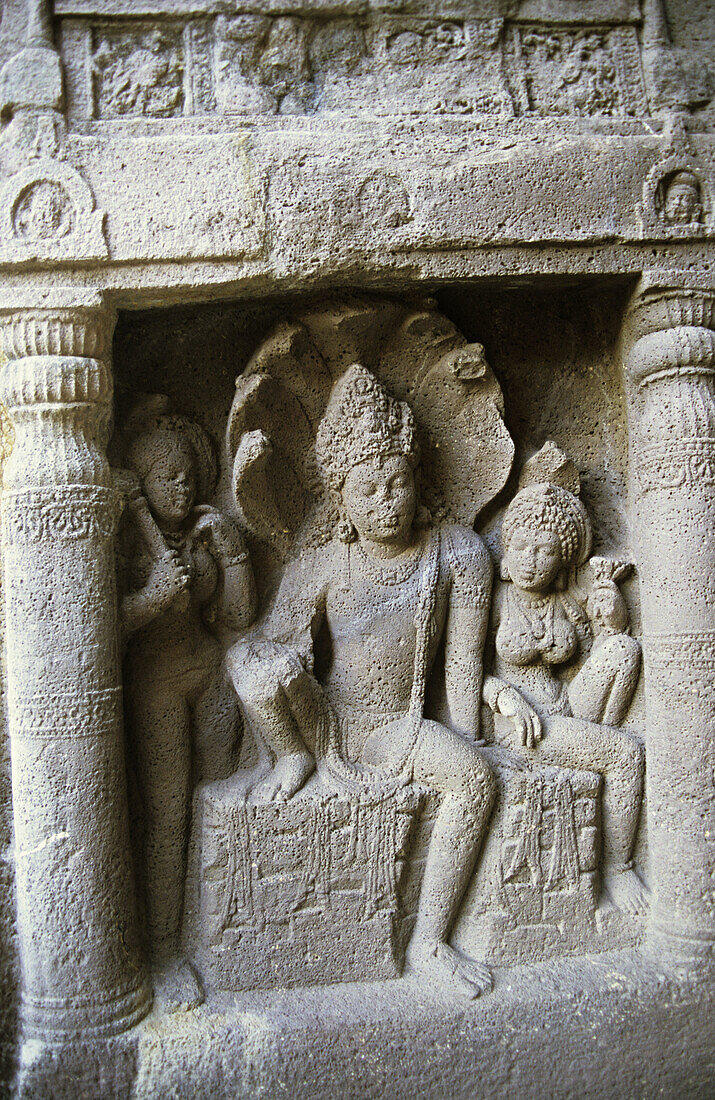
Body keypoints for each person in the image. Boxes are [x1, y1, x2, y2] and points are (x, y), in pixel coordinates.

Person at [226, 364, 535, 998]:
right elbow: (264, 644)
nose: (387, 500)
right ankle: (290, 762)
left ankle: (430, 941)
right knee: (253, 667)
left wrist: (494, 698)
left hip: (401, 727)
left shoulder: (456, 553)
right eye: (368, 489)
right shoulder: (325, 561)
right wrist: (281, 678)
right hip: (329, 720)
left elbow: (461, 679)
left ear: (417, 475)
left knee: (474, 779)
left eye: (398, 481)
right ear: (341, 494)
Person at [120, 399, 256, 1006]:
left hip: (211, 676)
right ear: (141, 483)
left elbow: (235, 616)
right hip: (156, 687)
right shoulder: (127, 544)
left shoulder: (195, 533)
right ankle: (164, 948)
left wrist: (230, 553)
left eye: (186, 477)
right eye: (164, 478)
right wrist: (149, 598)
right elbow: (92, 629)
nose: (179, 486)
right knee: (169, 817)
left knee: (226, 796)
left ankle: (221, 925)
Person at [486, 478, 647, 915]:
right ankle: (618, 867)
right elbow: (464, 668)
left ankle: (594, 747)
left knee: (623, 649)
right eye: (522, 548)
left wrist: (608, 597)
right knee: (628, 755)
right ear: (506, 551)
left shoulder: (563, 598)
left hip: (565, 708)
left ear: (561, 561)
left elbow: (608, 634)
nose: (532, 562)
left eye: (545, 552)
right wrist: (501, 695)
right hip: (523, 726)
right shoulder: (496, 599)